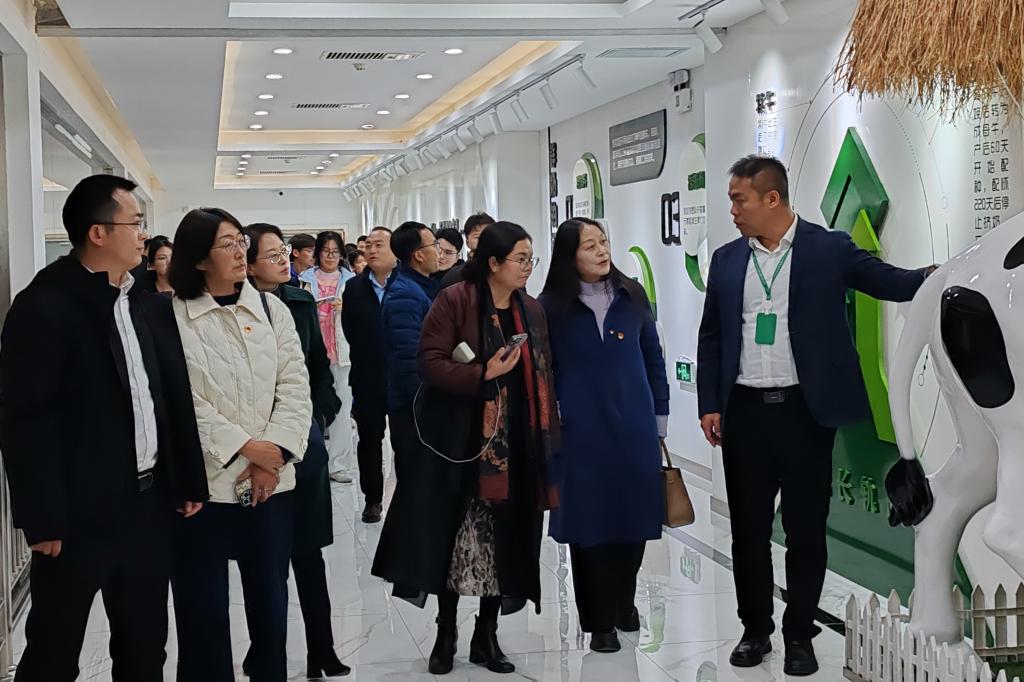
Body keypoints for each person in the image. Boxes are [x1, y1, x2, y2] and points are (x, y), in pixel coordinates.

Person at [696, 156, 932, 676]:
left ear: (772, 198)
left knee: (805, 530)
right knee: (749, 531)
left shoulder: (828, 249)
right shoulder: (727, 260)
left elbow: (889, 282)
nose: (732, 210)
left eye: (739, 199)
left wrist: (938, 278)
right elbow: (712, 335)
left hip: (805, 413)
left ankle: (799, 634)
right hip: (745, 413)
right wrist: (709, 402)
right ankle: (755, 631)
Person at [0, 175, 208, 682]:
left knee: (144, 649)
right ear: (98, 233)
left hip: (147, 505)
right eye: (135, 223)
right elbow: (25, 419)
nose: (144, 234)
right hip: (77, 516)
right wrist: (41, 518)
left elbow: (167, 398)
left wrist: (186, 478)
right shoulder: (45, 305)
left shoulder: (143, 302)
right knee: (53, 653)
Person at [372, 221, 559, 676]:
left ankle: (486, 634)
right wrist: (483, 374)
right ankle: (446, 631)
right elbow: (429, 363)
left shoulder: (530, 309)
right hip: (457, 441)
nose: (527, 267)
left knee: (505, 538)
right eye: (520, 259)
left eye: (531, 259)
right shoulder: (455, 299)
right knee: (453, 536)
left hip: (515, 443)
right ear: (492, 262)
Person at [169, 207, 311, 682]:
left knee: (270, 606)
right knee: (203, 611)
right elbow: (181, 400)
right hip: (205, 488)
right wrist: (247, 448)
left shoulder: (272, 309)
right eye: (226, 244)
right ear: (197, 258)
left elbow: (295, 386)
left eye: (240, 242)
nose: (238, 252)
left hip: (271, 485)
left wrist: (274, 455)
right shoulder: (172, 317)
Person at [540, 217, 670, 654]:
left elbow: (653, 358)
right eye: (589, 245)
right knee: (588, 525)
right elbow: (543, 371)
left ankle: (623, 600)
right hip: (579, 431)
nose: (601, 251)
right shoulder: (550, 307)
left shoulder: (632, 295)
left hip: (634, 425)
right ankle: (599, 623)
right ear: (569, 255)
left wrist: (660, 416)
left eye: (603, 242)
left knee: (634, 518)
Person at [243, 222, 350, 679]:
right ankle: (263, 652)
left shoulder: (300, 303)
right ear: (248, 265)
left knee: (309, 554)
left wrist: (320, 413)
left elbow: (316, 369)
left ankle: (322, 649)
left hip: (304, 443)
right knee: (264, 562)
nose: (285, 260)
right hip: (259, 451)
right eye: (272, 255)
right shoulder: (235, 311)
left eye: (284, 251)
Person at [341, 226, 397, 523]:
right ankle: (372, 499)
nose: (372, 250)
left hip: (402, 377)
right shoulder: (354, 288)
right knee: (369, 440)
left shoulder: (407, 284)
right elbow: (350, 330)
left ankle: (406, 498)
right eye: (369, 246)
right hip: (367, 375)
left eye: (379, 245)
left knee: (405, 440)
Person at [378, 222, 440, 479]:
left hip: (419, 400)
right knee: (416, 479)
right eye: (434, 245)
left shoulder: (421, 287)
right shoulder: (405, 294)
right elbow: (408, 356)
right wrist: (425, 402)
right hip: (412, 404)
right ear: (418, 255)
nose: (439, 251)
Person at [299, 230, 357, 483]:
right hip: (314, 350)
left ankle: (338, 464)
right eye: (326, 251)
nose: (330, 256)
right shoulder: (305, 280)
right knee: (310, 405)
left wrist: (348, 307)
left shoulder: (352, 281)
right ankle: (311, 461)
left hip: (342, 351)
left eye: (335, 252)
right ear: (318, 253)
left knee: (342, 408)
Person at [441, 212, 494, 288]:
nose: (484, 240)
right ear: (467, 242)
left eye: (488, 236)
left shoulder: (504, 271)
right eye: (478, 237)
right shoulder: (453, 277)